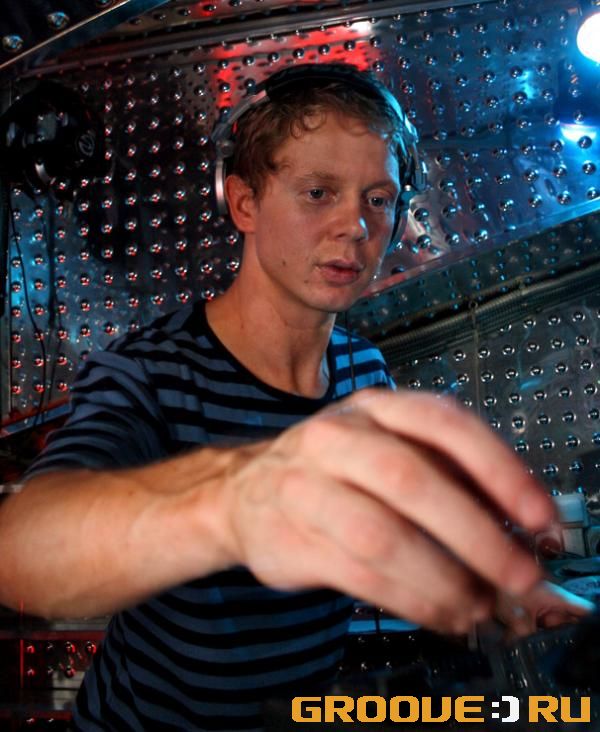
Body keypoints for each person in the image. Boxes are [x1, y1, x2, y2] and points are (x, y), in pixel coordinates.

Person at [0, 63, 592, 731]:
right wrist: (235, 502)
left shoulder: (363, 370)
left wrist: (512, 592)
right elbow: (22, 554)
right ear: (243, 203)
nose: (355, 226)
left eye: (378, 199)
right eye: (318, 192)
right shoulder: (151, 372)